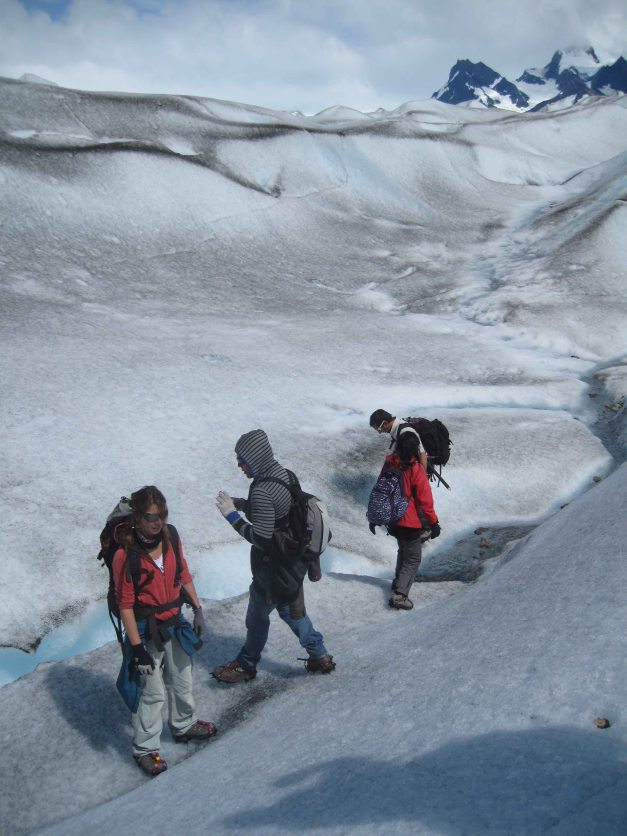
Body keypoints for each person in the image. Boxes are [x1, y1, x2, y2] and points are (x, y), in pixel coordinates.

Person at [213, 429, 335, 683]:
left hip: (273, 569)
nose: (239, 465)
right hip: (293, 562)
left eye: (242, 460)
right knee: (292, 612)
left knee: (257, 618)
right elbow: (276, 514)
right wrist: (242, 504)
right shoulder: (284, 474)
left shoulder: (262, 490)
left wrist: (232, 516)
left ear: (255, 458)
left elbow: (261, 537)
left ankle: (246, 665)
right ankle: (320, 655)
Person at [113, 485, 217, 776]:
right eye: (151, 517)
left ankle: (183, 725)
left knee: (183, 676)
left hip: (174, 620)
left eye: (162, 515)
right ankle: (145, 749)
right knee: (152, 691)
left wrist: (197, 608)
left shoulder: (171, 536)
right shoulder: (125, 555)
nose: (158, 522)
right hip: (146, 629)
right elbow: (125, 606)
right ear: (137, 518)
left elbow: (182, 572)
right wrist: (137, 649)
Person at [371, 430, 441, 610]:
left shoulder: (389, 463)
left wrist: (375, 517)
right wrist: (433, 523)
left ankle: (397, 583)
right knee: (413, 558)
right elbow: (425, 500)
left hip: (392, 519)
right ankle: (400, 595)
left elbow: (380, 489)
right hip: (409, 521)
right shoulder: (415, 468)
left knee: (403, 551)